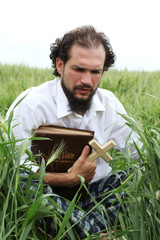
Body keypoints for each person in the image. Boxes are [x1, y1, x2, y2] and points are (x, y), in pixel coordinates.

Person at [6, 25, 140, 238]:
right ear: (60, 65)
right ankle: (98, 234)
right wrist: (68, 179)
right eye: (79, 69)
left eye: (95, 71)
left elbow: (139, 154)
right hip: (48, 196)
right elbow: (12, 170)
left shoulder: (110, 104)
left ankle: (78, 230)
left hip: (93, 194)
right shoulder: (32, 104)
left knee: (135, 179)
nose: (87, 81)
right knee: (25, 185)